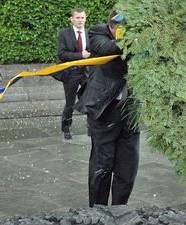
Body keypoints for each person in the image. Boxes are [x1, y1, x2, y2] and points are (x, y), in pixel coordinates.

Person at [75, 10, 140, 207]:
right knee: (102, 164)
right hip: (104, 110)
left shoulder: (140, 39)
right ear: (112, 27)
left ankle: (120, 208)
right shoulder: (97, 32)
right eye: (119, 29)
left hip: (130, 111)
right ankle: (98, 210)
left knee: (127, 166)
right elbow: (106, 49)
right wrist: (136, 40)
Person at [56, 8, 90, 139]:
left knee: (90, 99)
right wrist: (80, 55)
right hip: (70, 73)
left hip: (86, 72)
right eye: (77, 18)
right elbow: (61, 54)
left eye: (82, 18)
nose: (80, 20)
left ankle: (91, 127)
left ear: (85, 19)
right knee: (70, 102)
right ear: (72, 19)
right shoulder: (64, 34)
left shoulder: (88, 33)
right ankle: (66, 128)